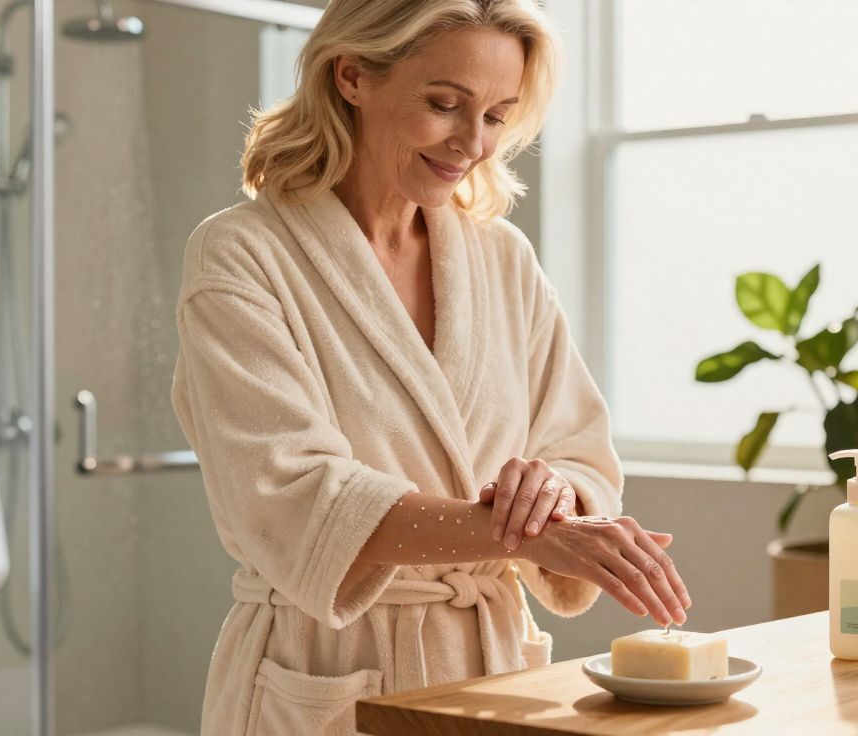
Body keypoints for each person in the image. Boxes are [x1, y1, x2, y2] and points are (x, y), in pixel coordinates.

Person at [169, 1, 691, 733]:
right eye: (445, 105)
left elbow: (580, 454)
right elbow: (290, 491)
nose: (473, 143)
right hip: (324, 674)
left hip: (493, 673)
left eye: (498, 116)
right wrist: (520, 535)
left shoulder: (502, 260)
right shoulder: (243, 257)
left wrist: (551, 493)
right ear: (352, 75)